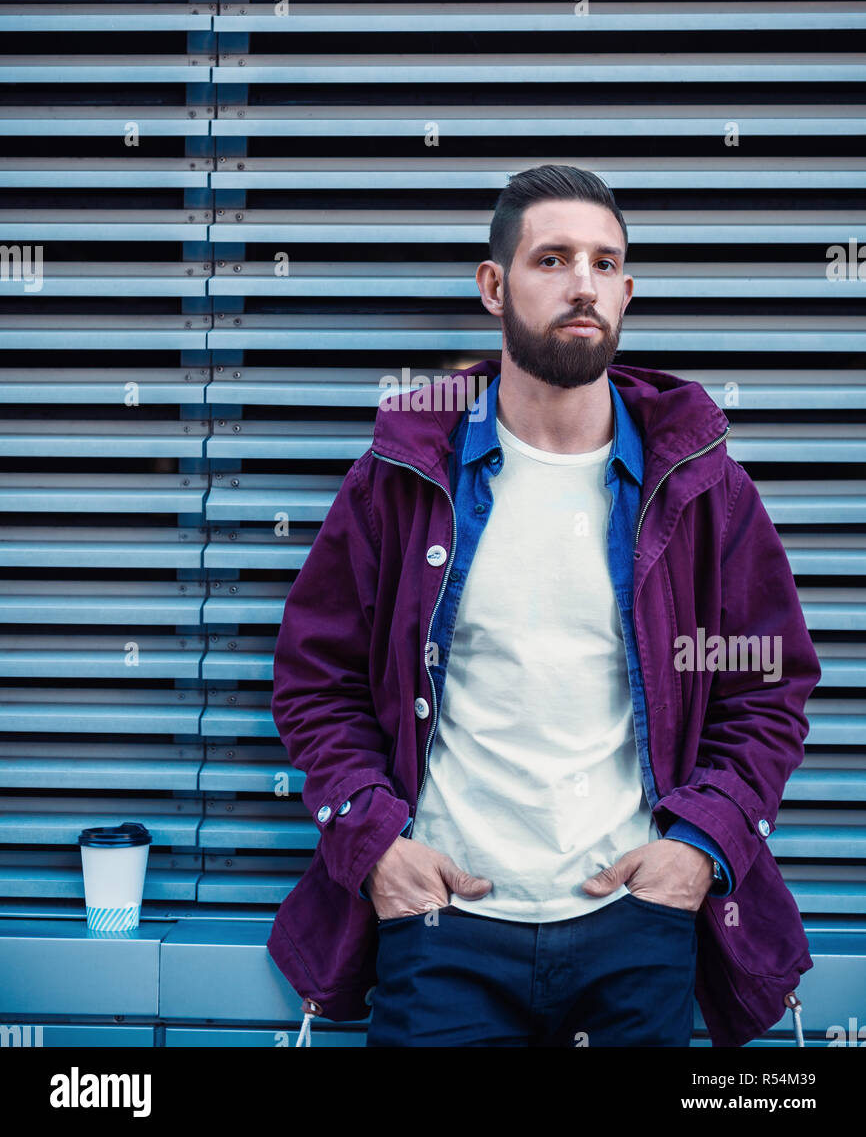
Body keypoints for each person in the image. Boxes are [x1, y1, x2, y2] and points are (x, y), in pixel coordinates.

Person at [267, 164, 821, 1047]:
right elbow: (314, 681)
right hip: (442, 928)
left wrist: (696, 849)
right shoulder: (405, 479)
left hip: (636, 928)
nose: (582, 286)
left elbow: (765, 687)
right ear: (494, 286)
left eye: (605, 265)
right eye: (553, 259)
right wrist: (375, 846)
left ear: (628, 291)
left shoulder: (699, 487)